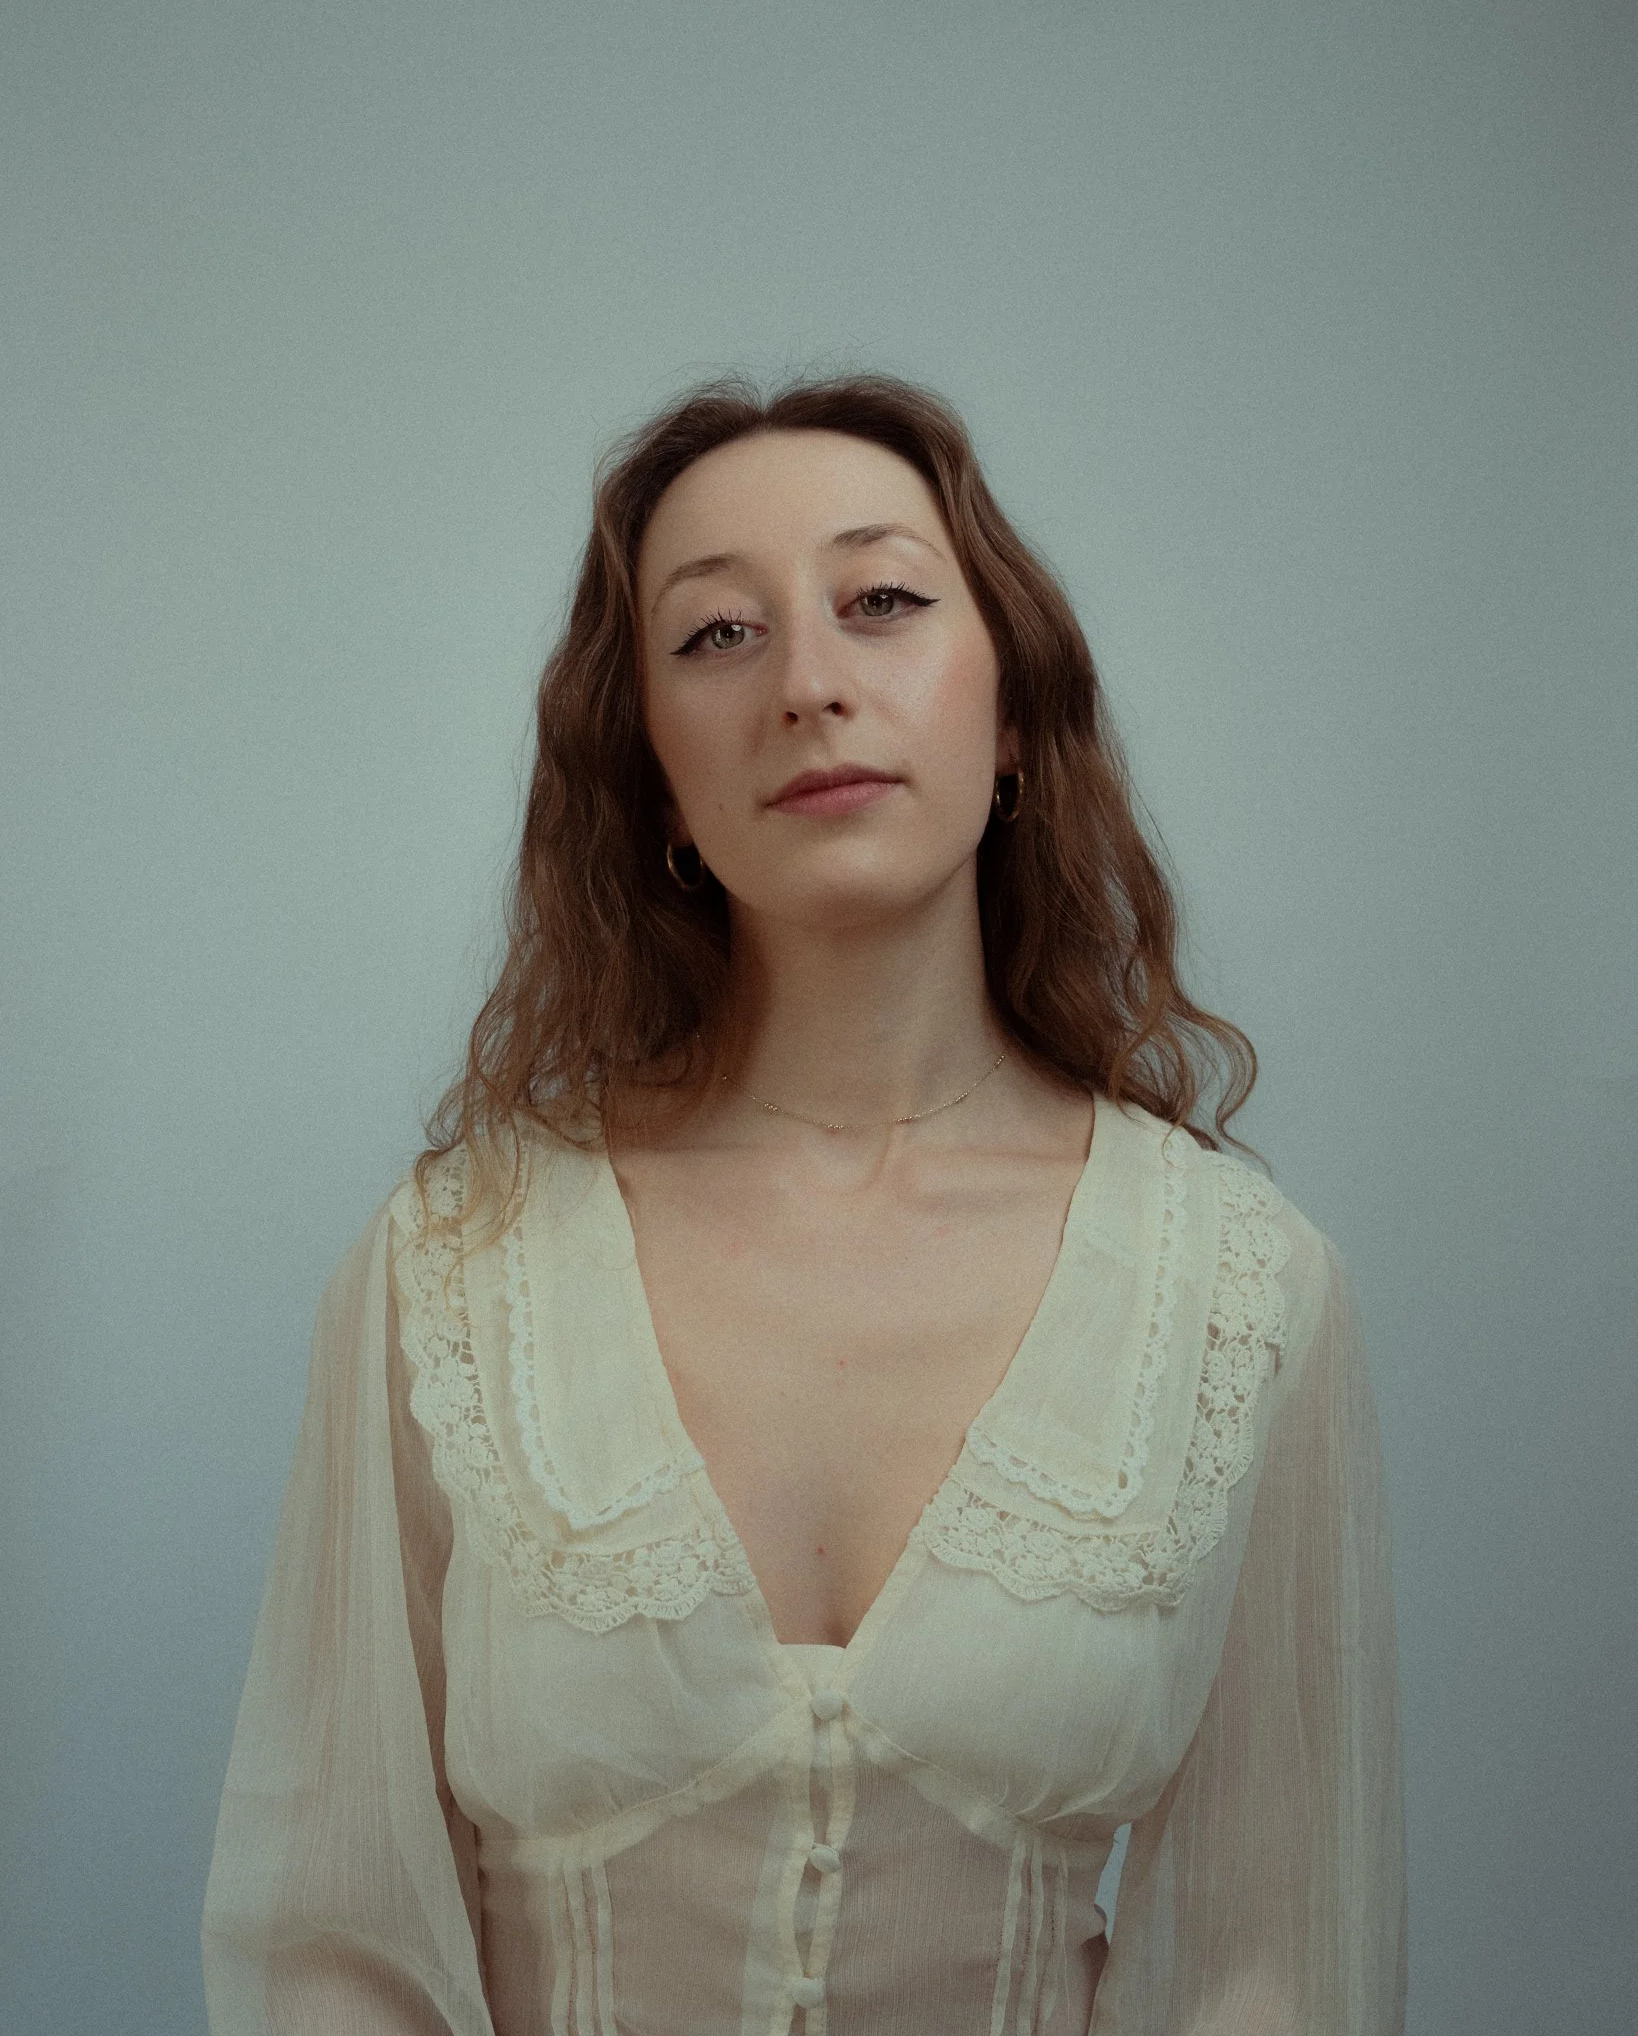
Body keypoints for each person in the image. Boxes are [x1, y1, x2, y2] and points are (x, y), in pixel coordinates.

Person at [201, 372, 1407, 2033]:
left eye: (884, 601)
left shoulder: (1243, 1289)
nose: (810, 684)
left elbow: (1278, 1957)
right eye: (716, 636)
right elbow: (323, 1945)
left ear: (1009, 720)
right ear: (652, 770)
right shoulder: (449, 1269)